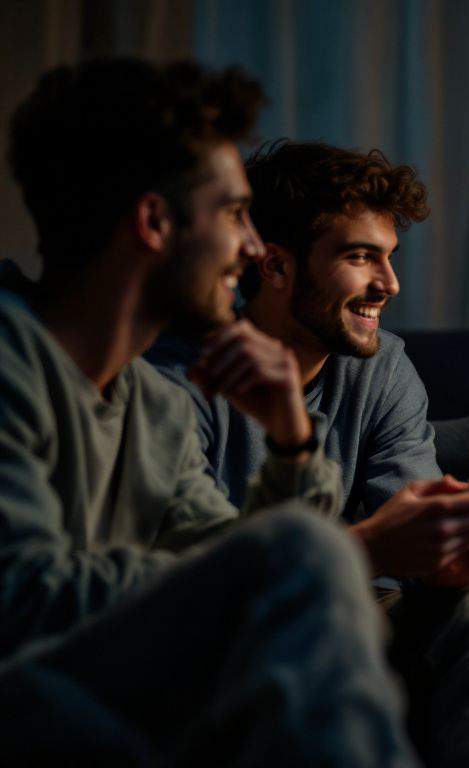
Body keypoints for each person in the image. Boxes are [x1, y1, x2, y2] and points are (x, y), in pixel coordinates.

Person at [0, 58, 419, 765]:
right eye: (232, 216)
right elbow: (22, 598)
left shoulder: (154, 407)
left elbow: (237, 562)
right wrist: (273, 567)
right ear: (155, 221)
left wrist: (290, 440)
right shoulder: (11, 360)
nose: (253, 249)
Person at [145, 139, 469, 768]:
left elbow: (418, 550)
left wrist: (455, 552)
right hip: (228, 626)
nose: (390, 284)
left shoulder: (385, 369)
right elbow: (200, 585)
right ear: (274, 267)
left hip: (357, 602)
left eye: (390, 258)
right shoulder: (180, 377)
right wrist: (374, 544)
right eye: (359, 257)